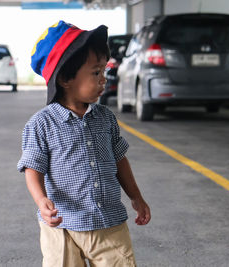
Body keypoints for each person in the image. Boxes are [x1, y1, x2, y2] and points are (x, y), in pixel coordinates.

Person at [17, 20, 151, 267]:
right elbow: (32, 168)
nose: (104, 79)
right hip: (62, 226)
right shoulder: (41, 124)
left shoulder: (106, 118)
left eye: (104, 71)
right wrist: (41, 201)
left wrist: (136, 196)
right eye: (95, 72)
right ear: (66, 78)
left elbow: (120, 159)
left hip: (108, 223)